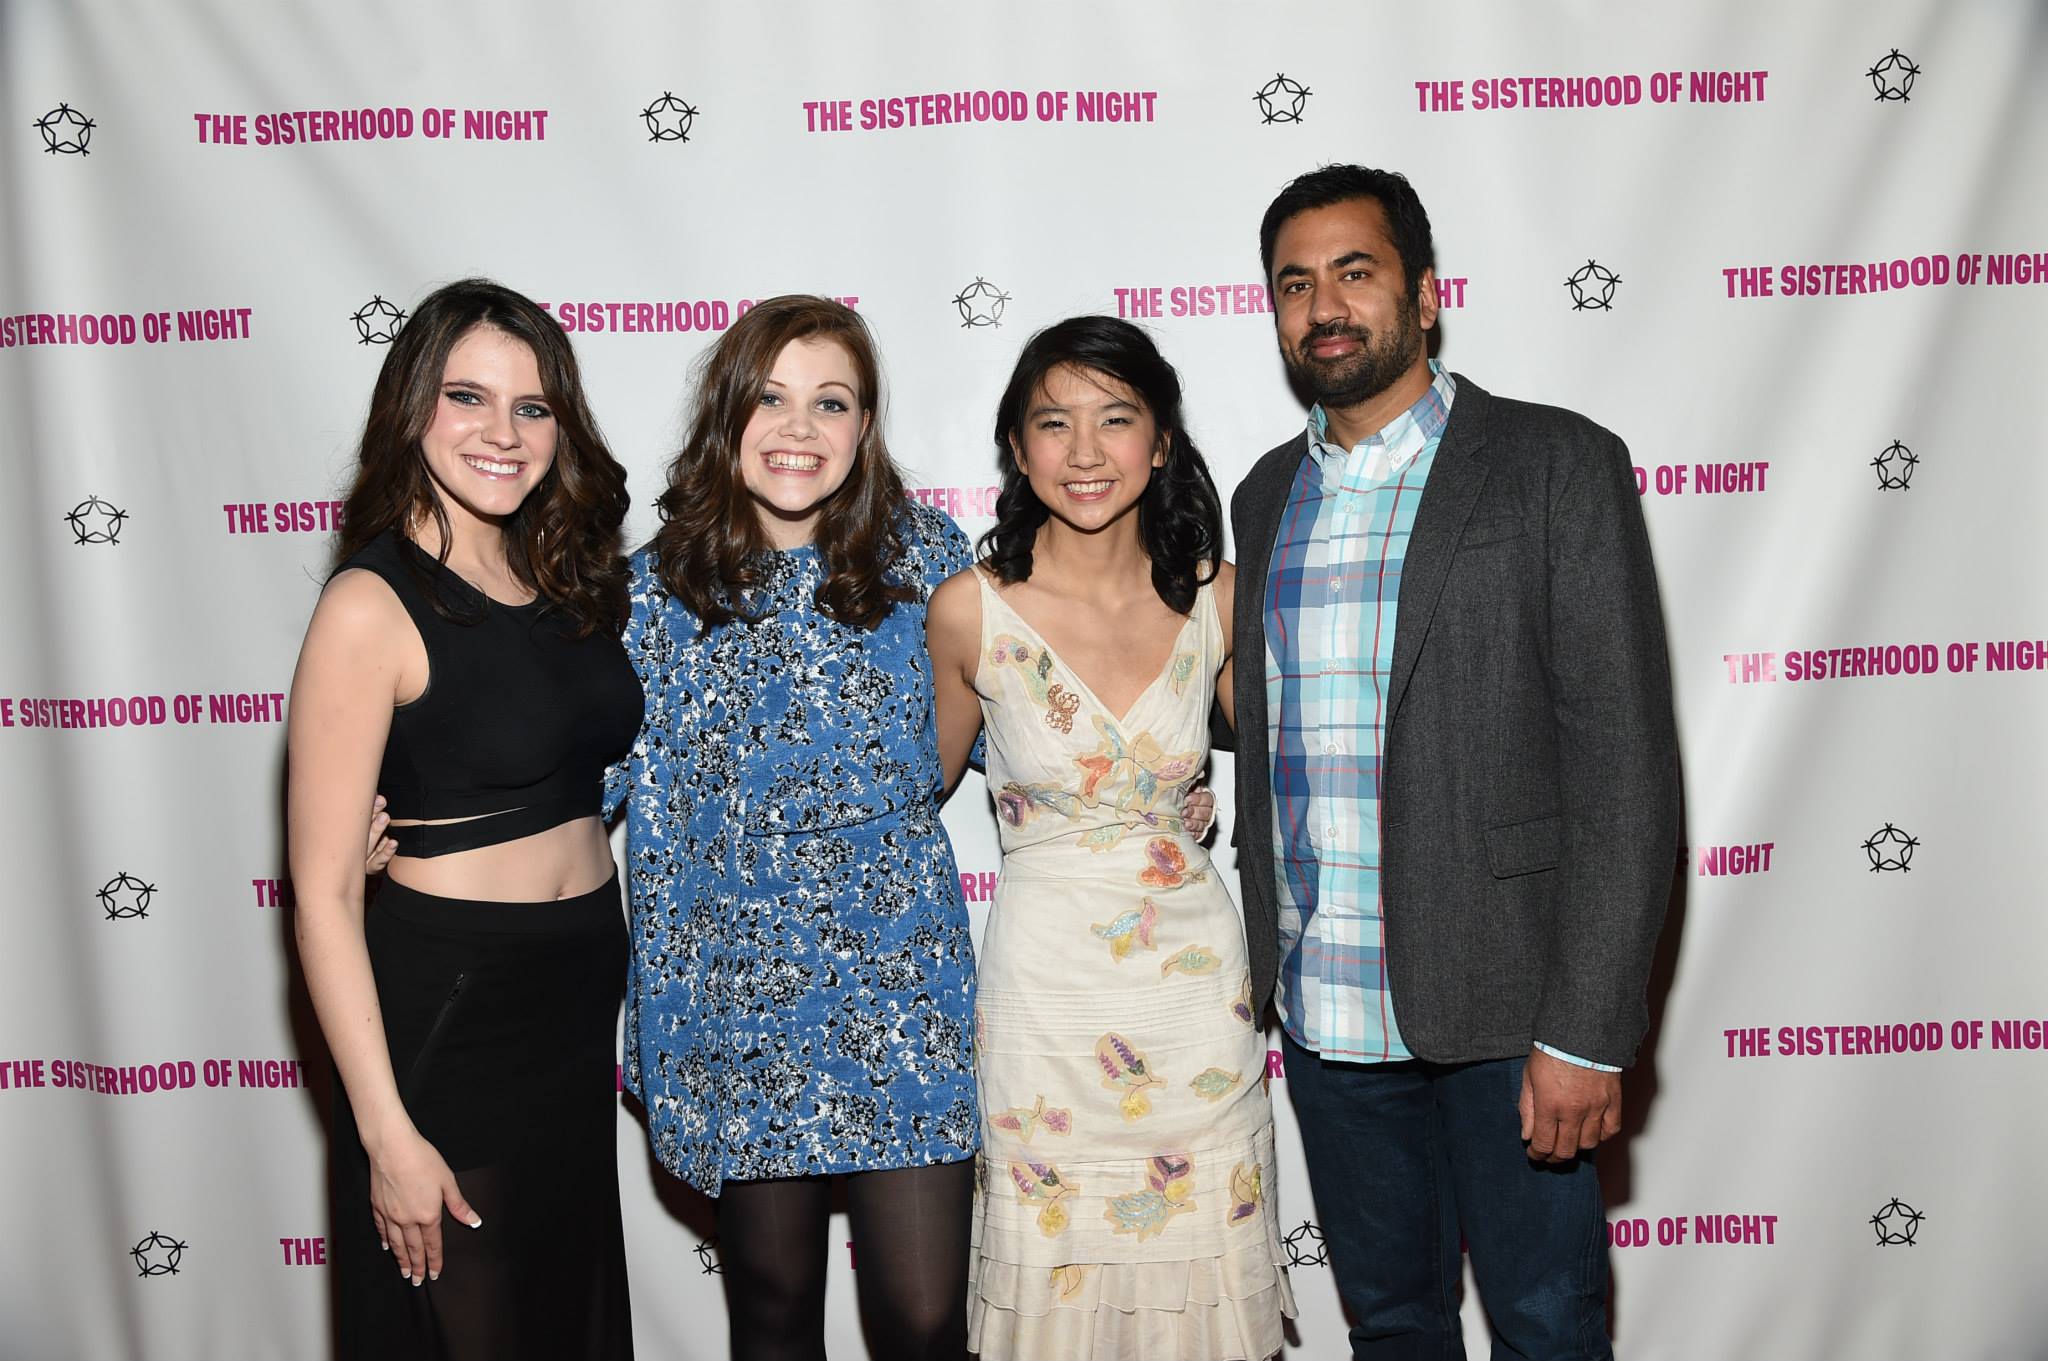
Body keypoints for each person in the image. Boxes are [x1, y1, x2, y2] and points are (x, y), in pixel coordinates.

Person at [1224, 164, 1681, 1359]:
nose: (1323, 303)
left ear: (1425, 295)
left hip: (1509, 1013)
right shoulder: (1263, 494)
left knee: (1544, 1325)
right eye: (1293, 282)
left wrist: (1585, 1029)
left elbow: (1623, 770)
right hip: (1325, 1012)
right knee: (1390, 1326)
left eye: (1354, 272)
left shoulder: (1553, 464)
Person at [605, 296, 979, 1361]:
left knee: (921, 1320)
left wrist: (1163, 773)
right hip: (732, 1007)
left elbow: (1034, 715)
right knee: (769, 1316)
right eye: (769, 397)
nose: (797, 427)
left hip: (902, 999)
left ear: (864, 427)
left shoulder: (927, 563)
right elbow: (570, 785)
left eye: (830, 401)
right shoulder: (651, 596)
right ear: (727, 416)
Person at [927, 316, 1295, 1360]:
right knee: (1051, 1268)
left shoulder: (1220, 596)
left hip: (1192, 998)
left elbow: (1285, 767)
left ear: (1161, 441)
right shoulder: (968, 612)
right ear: (1015, 444)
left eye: (1115, 419)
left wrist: (1201, 805)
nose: (1084, 452)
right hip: (1043, 998)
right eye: (1053, 422)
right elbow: (904, 797)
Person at [289, 278, 639, 1360]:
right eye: (468, 398)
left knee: (560, 1324)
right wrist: (386, 1131)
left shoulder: (562, 571)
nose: (503, 432)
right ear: (412, 409)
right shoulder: (368, 603)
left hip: (573, 995)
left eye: (532, 407)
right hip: (454, 1012)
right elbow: (323, 894)